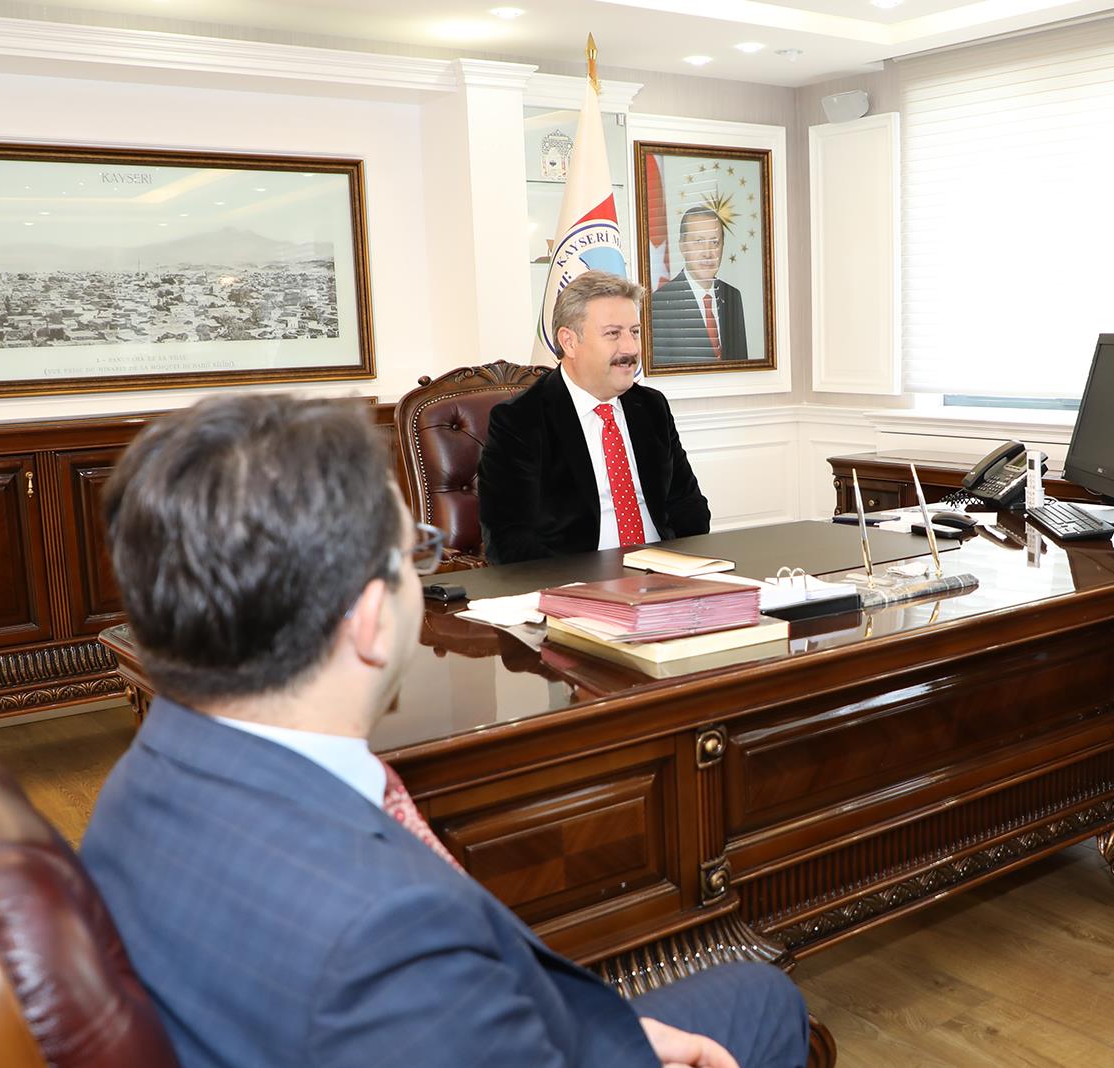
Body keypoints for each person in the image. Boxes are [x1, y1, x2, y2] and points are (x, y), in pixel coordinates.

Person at [81, 393, 805, 1068]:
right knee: (762, 999)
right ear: (370, 619)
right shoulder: (387, 929)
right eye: (414, 557)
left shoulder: (138, 779)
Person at [479, 270, 711, 565]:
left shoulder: (651, 407)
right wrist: (583, 585)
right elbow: (508, 538)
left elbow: (690, 508)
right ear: (569, 342)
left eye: (634, 332)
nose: (631, 348)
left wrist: (683, 569)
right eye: (613, 334)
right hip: (576, 579)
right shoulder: (520, 420)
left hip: (666, 571)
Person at [650, 206, 748, 365]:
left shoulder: (732, 296)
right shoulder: (659, 304)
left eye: (714, 242)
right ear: (682, 246)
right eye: (699, 242)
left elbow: (742, 367)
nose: (707, 253)